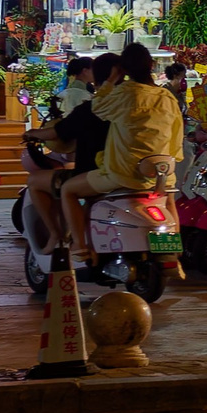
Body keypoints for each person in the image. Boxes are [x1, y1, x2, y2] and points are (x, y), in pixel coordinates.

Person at [67, 42, 180, 274]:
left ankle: (79, 247)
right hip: (161, 175)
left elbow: (98, 107)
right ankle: (175, 252)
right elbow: (176, 143)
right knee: (168, 200)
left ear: (124, 70)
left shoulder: (125, 93)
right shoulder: (167, 98)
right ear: (152, 65)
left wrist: (109, 81)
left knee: (68, 190)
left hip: (122, 174)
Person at [29, 52, 118, 254]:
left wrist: (32, 133)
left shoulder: (91, 106)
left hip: (102, 172)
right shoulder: (143, 103)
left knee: (43, 183)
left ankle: (65, 238)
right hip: (148, 173)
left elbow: (58, 131)